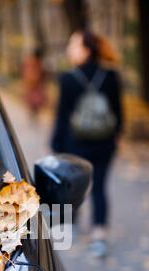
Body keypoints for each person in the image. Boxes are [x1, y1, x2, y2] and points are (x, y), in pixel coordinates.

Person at [51, 31, 122, 257]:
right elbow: (119, 112)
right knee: (99, 187)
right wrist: (114, 136)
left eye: (74, 44)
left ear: (86, 49)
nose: (69, 49)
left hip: (75, 143)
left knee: (72, 186)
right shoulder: (111, 76)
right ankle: (99, 236)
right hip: (104, 143)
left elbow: (62, 116)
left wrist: (57, 144)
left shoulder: (68, 78)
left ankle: (69, 226)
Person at [22, 48, 47, 117]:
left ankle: (34, 112)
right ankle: (34, 112)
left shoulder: (32, 62)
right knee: (35, 99)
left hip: (33, 84)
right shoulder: (36, 63)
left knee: (34, 99)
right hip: (34, 84)